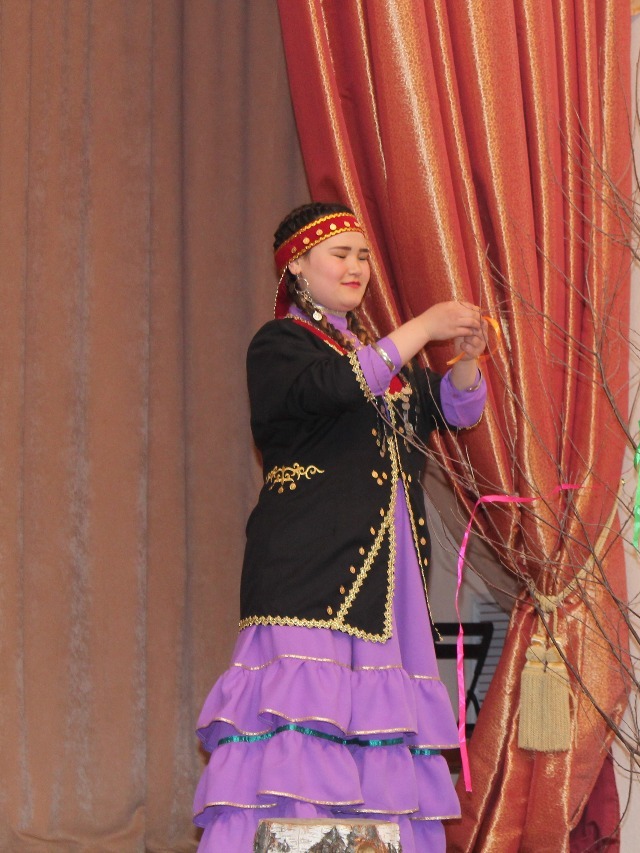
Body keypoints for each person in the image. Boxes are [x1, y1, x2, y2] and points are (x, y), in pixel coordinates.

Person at [192, 202, 487, 851]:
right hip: (310, 569)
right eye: (340, 254)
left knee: (377, 731)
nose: (356, 267)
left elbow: (453, 409)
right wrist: (423, 326)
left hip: (387, 578)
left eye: (363, 255)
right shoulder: (281, 345)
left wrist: (464, 359)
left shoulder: (380, 356)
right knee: (302, 722)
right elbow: (339, 385)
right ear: (297, 265)